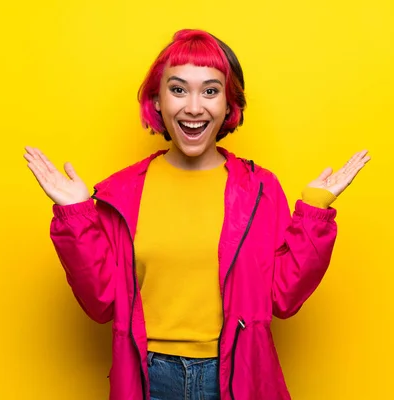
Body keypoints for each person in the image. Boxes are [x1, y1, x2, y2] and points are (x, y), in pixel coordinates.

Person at [24, 29, 370, 400]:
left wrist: (314, 212)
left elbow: (283, 297)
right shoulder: (122, 193)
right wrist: (75, 214)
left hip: (235, 377)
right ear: (156, 101)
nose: (193, 107)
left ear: (228, 104)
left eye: (210, 90)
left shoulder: (259, 189)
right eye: (177, 89)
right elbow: (101, 302)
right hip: (148, 376)